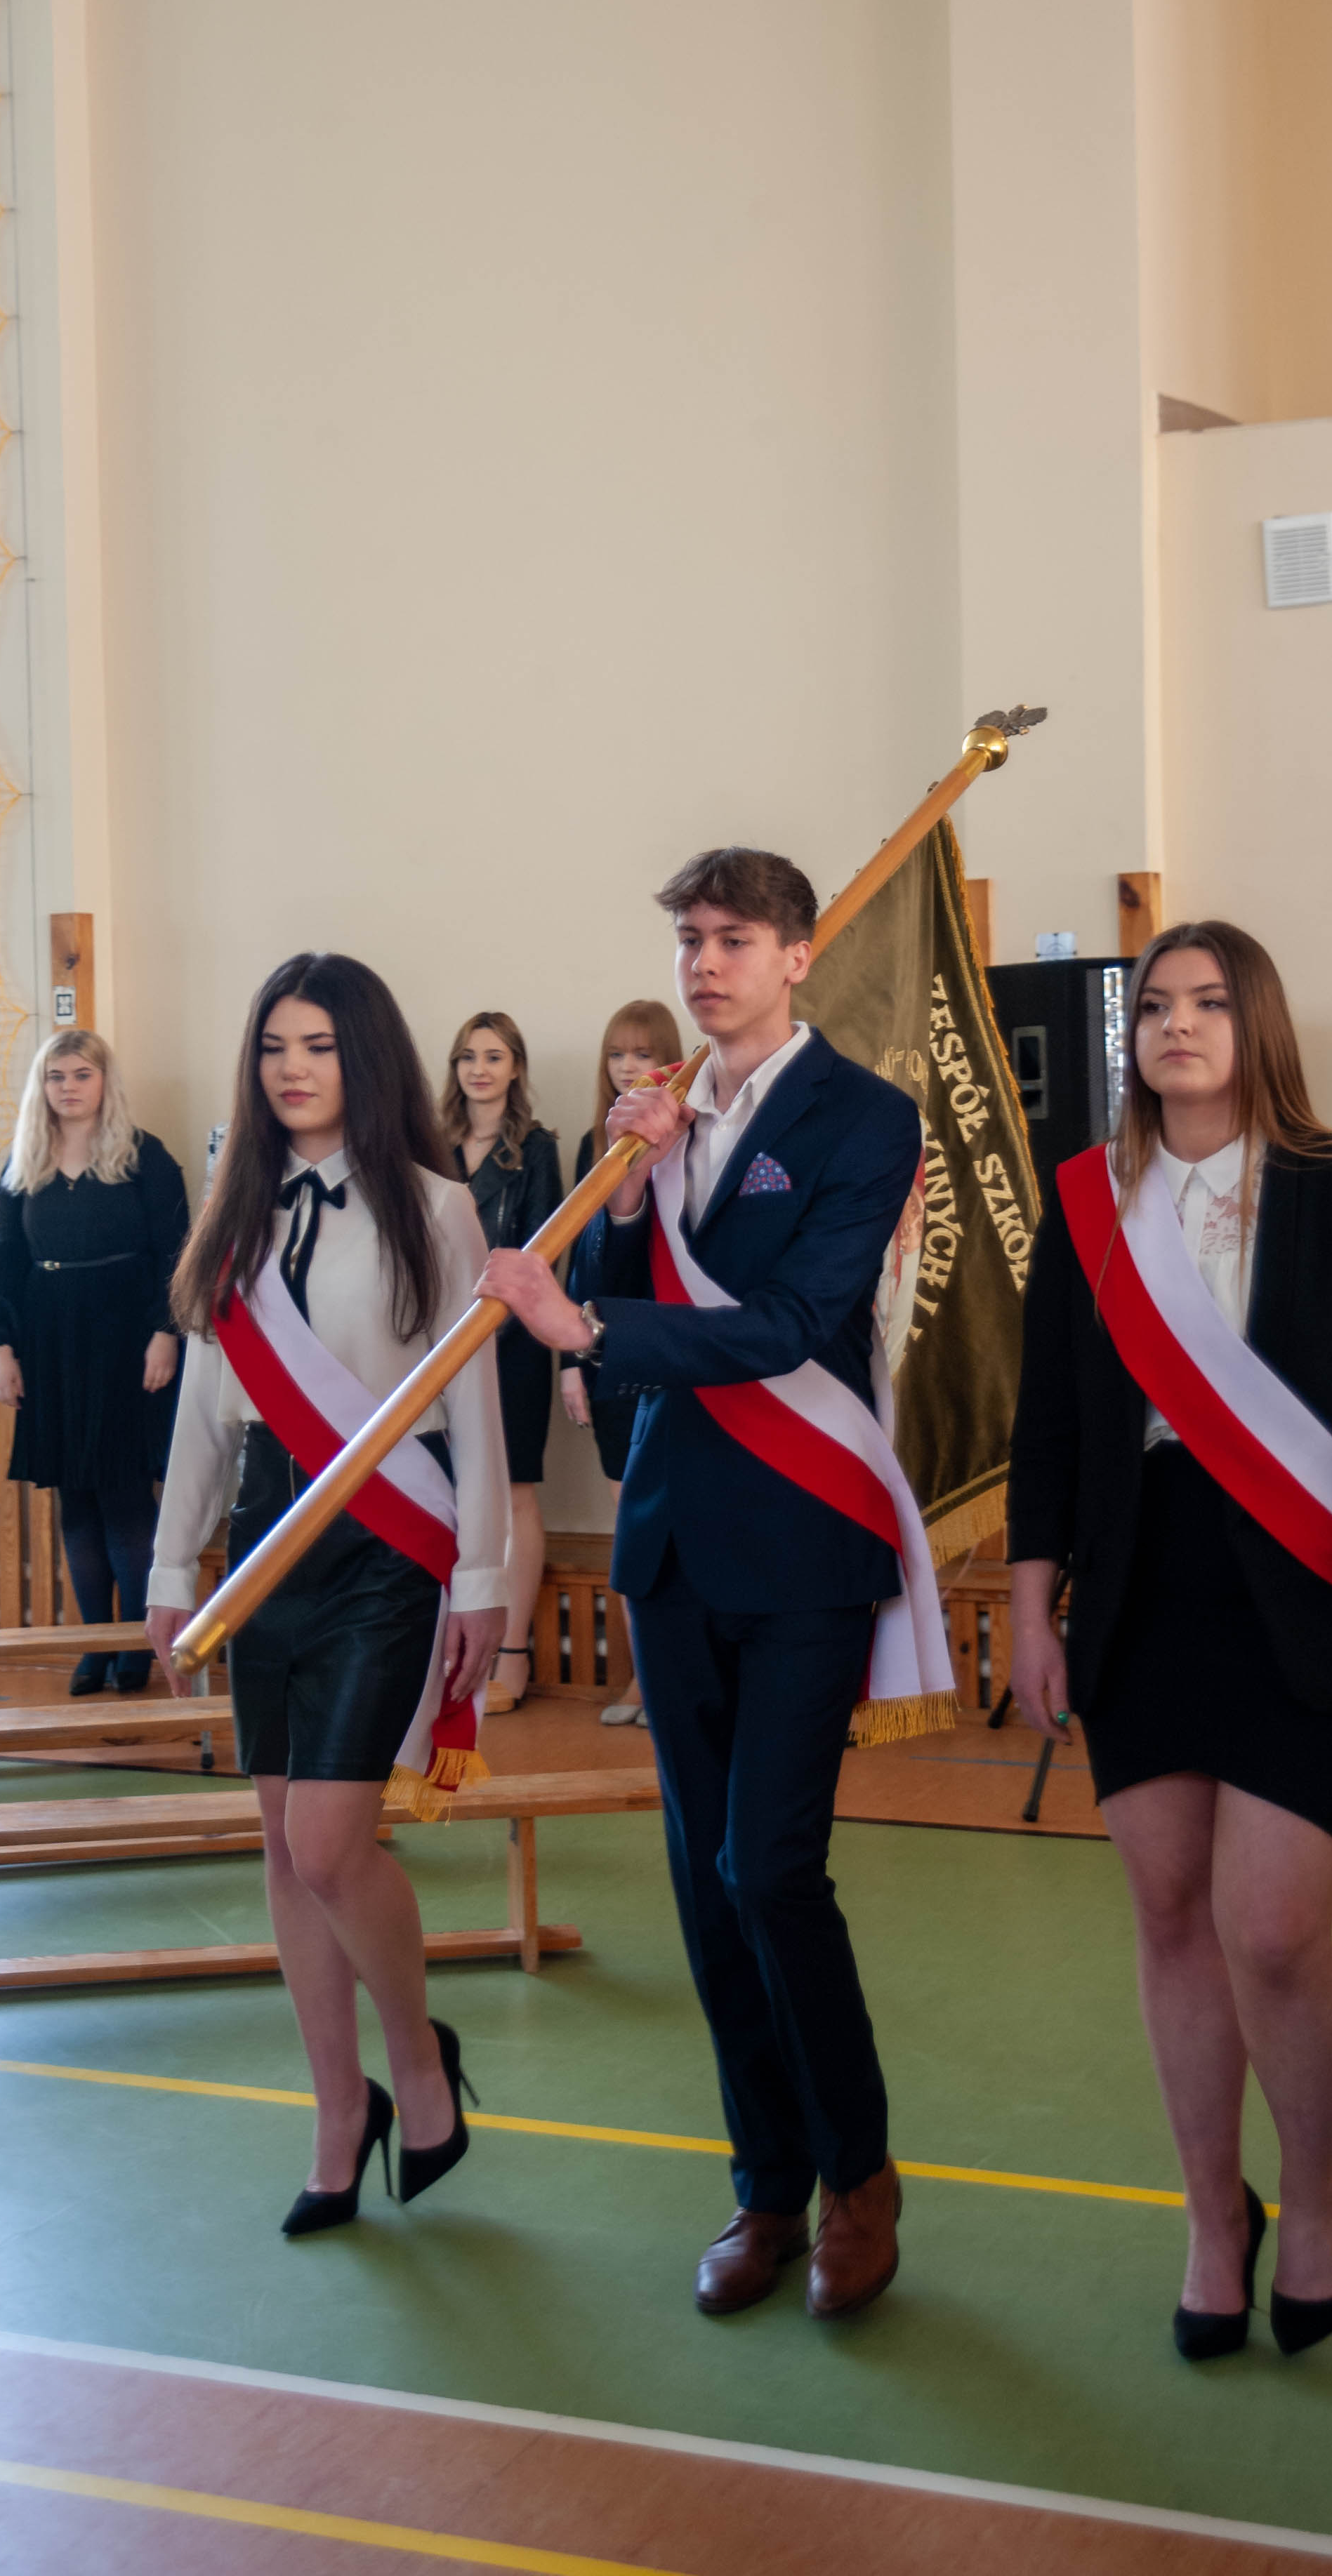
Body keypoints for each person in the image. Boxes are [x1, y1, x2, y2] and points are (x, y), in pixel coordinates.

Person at [484, 849, 922, 2324]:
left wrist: (585, 1325)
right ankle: (766, 2184)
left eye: (735, 939)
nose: (705, 963)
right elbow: (633, 1273)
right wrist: (626, 1195)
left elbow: (796, 1321)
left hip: (805, 1535)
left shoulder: (865, 1117)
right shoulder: (656, 1113)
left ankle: (859, 2175)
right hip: (673, 1537)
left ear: (798, 956)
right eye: (689, 939)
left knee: (770, 1867)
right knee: (701, 1879)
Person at [1007, 922, 1332, 2362]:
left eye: (1207, 1002)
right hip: (1140, 1594)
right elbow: (1048, 1421)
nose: (1177, 1025)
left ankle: (1312, 2191)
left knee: (1272, 1929)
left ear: (1256, 1023)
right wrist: (1029, 1603)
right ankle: (1215, 2214)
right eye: (1154, 1005)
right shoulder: (1087, 1199)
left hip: (1306, 1600)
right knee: (1171, 1916)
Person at [147, 954, 509, 2233]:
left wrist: (485, 1580)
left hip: (384, 1544)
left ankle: (417, 2055)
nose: (291, 1069)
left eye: (317, 1045)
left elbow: (475, 1407)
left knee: (328, 1842)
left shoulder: (437, 1208)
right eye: (272, 1047)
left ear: (365, 1056)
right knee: (283, 1848)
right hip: (266, 1542)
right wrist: (171, 1567)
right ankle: (337, 2112)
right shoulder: (234, 1212)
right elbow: (206, 1411)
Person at [0, 1029, 188, 1697]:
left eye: (82, 1074)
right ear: (43, 1086)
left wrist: (165, 1332)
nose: (69, 1087)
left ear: (103, 1082)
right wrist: (1, 1348)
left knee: (125, 1497)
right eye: (57, 1076)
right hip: (50, 1340)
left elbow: (177, 1251)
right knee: (76, 1501)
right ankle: (97, 1643)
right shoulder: (22, 1161)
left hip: (127, 1338)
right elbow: (7, 1257)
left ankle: (136, 1645)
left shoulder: (145, 1156)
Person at [561, 1001, 684, 1727]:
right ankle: (641, 1679)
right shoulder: (593, 1142)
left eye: (642, 1054)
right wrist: (571, 1362)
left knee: (676, 1530)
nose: (628, 1067)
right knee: (631, 1532)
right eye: (616, 1054)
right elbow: (581, 1263)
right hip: (605, 1354)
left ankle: (670, 1681)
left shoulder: (692, 1134)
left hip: (670, 1351)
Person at [441, 1013, 563, 1711]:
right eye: (467, 1056)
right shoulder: (427, 1144)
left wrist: (491, 1328)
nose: (479, 1069)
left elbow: (543, 1254)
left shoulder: (537, 1149)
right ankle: (450, 1651)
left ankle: (511, 1652)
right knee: (447, 1490)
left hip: (509, 1346)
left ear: (515, 1066)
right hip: (434, 1347)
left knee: (513, 1490)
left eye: (493, 1056)